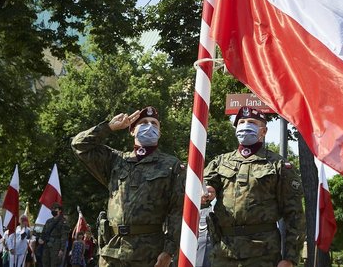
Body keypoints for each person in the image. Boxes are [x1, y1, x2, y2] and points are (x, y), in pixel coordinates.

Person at [71, 106, 186, 267]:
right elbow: (79, 144)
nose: (149, 126)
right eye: (144, 122)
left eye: (154, 124)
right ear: (132, 130)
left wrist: (169, 251)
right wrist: (109, 127)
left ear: (159, 133)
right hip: (111, 251)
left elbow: (178, 210)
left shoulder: (171, 165)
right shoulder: (116, 160)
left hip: (148, 253)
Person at [201, 106, 306, 267]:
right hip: (223, 251)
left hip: (263, 252)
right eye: (241, 122)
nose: (245, 125)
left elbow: (295, 215)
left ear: (263, 131)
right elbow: (204, 190)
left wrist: (290, 258)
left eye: (251, 122)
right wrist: (207, 193)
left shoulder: (279, 165)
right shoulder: (220, 162)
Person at [39, 203, 69, 267]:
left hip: (56, 246)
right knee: (45, 262)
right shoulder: (48, 221)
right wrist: (41, 238)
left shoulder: (63, 221)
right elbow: (43, 232)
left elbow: (64, 236)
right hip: (46, 244)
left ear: (60, 210)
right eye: (52, 209)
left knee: (54, 263)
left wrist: (62, 249)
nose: (53, 210)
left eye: (55, 209)